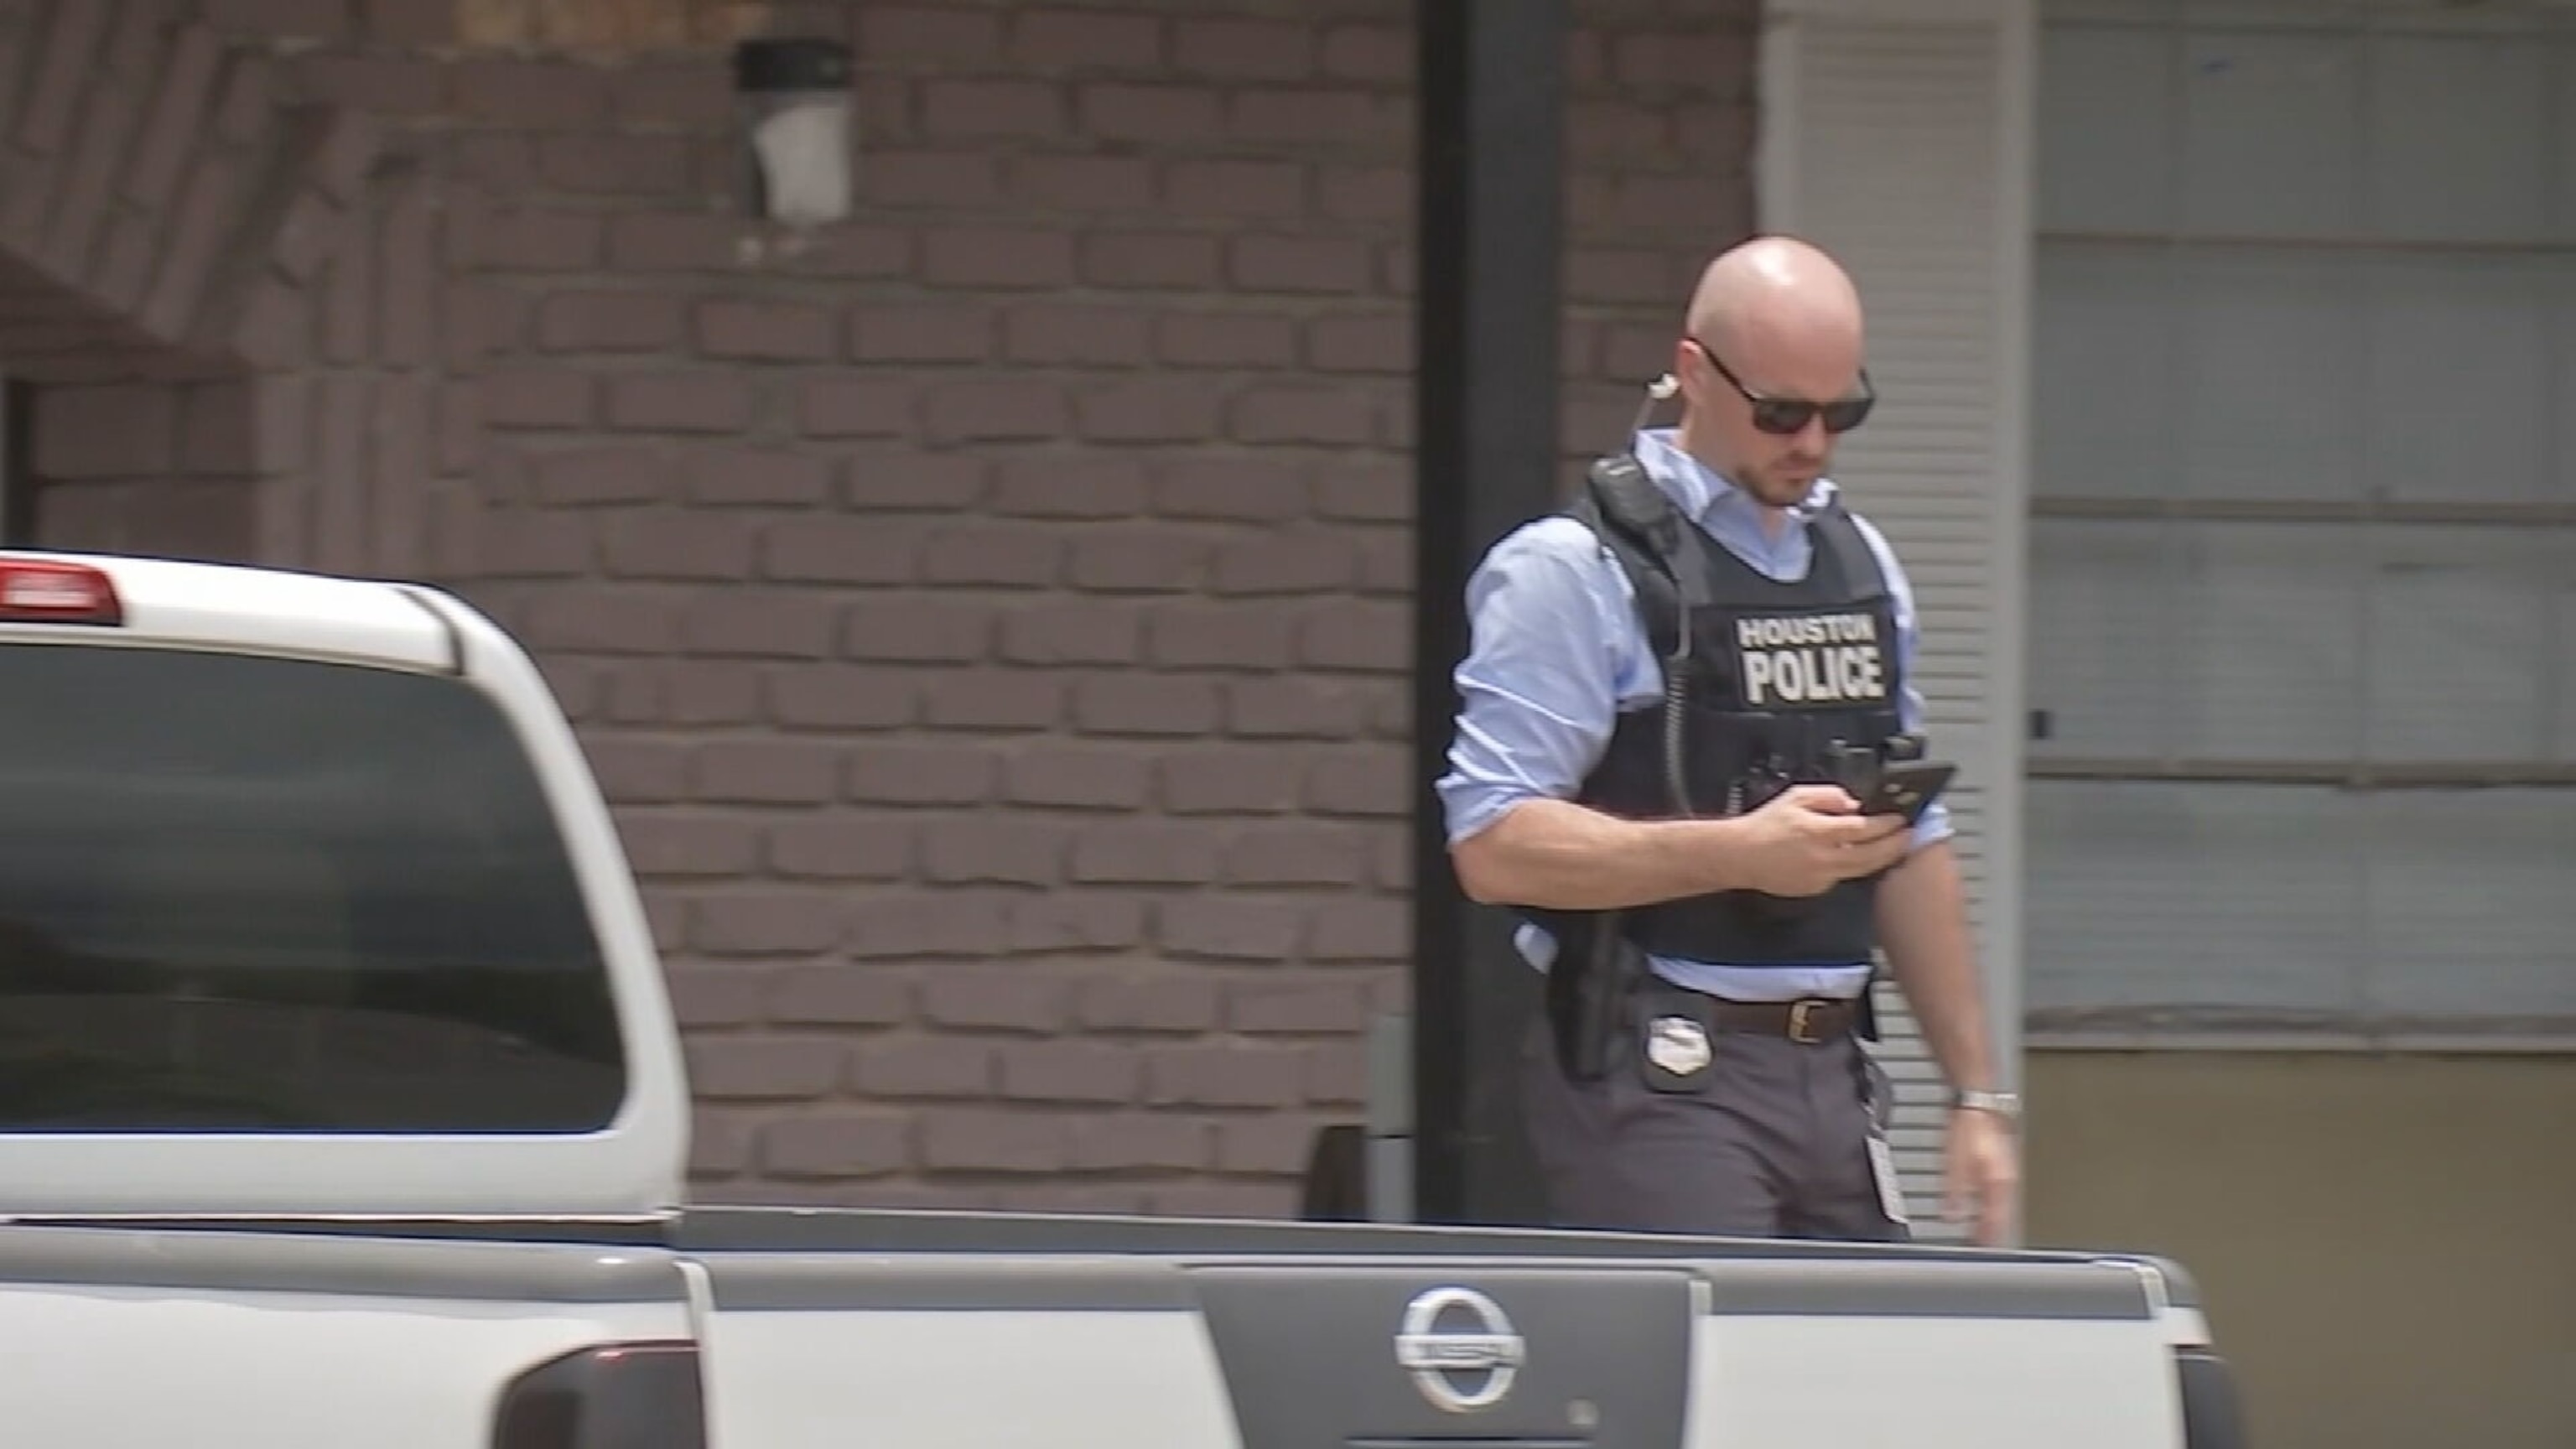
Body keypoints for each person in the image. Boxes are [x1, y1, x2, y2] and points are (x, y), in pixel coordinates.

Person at [1435, 234, 2020, 1245]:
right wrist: (1740, 853)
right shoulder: (1576, 569)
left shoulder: (1858, 563)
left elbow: (1912, 844)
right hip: (1662, 1066)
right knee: (1716, 1378)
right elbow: (1492, 844)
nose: (1813, 444)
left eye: (1843, 412)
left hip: (1835, 1074)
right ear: (1696, 374)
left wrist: (1978, 1095)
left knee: (1863, 1385)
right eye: (1783, 411)